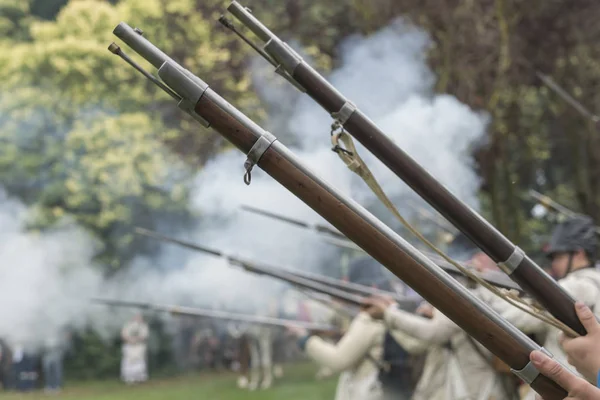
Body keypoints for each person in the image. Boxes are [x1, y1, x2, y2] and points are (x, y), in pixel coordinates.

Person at [501, 216, 600, 390]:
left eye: (559, 256)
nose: (554, 264)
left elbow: (514, 317)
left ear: (578, 254)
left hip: (570, 384)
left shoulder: (573, 286)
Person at [364, 294, 514, 400]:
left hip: (479, 387)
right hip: (457, 386)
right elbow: (415, 345)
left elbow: (433, 332)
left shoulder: (470, 299)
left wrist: (389, 314)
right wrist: (388, 316)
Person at [120, 313, 149, 384]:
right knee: (129, 362)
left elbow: (145, 335)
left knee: (139, 362)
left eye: (139, 317)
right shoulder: (128, 325)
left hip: (139, 346)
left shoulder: (143, 326)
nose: (138, 319)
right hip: (129, 346)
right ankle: (129, 378)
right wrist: (130, 340)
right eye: (136, 317)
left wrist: (137, 340)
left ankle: (139, 378)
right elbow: (123, 335)